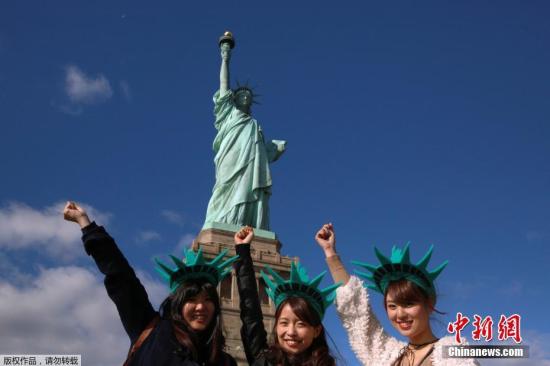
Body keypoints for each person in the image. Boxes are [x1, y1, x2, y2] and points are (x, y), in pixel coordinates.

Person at [63, 201, 238, 366]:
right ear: (177, 303)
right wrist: (86, 224)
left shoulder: (224, 362)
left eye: (208, 300)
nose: (201, 307)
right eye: (191, 299)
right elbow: (121, 277)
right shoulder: (152, 330)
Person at [315, 223, 479, 366]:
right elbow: (356, 313)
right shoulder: (386, 354)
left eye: (409, 304)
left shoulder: (454, 353)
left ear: (429, 304)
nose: (400, 314)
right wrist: (330, 253)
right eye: (392, 306)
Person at [204, 34, 286, 231]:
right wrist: (225, 57)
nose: (245, 96)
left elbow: (261, 153)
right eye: (241, 94)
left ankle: (246, 225)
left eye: (248, 95)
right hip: (230, 157)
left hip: (251, 162)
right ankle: (223, 222)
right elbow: (224, 84)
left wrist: (271, 149)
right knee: (224, 187)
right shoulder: (228, 113)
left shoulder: (254, 124)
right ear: (234, 99)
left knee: (249, 187)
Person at [233, 226, 339, 366]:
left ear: (316, 330)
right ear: (276, 326)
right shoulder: (265, 360)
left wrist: (331, 253)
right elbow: (250, 313)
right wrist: (243, 251)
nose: (291, 332)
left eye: (301, 324)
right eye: (284, 323)